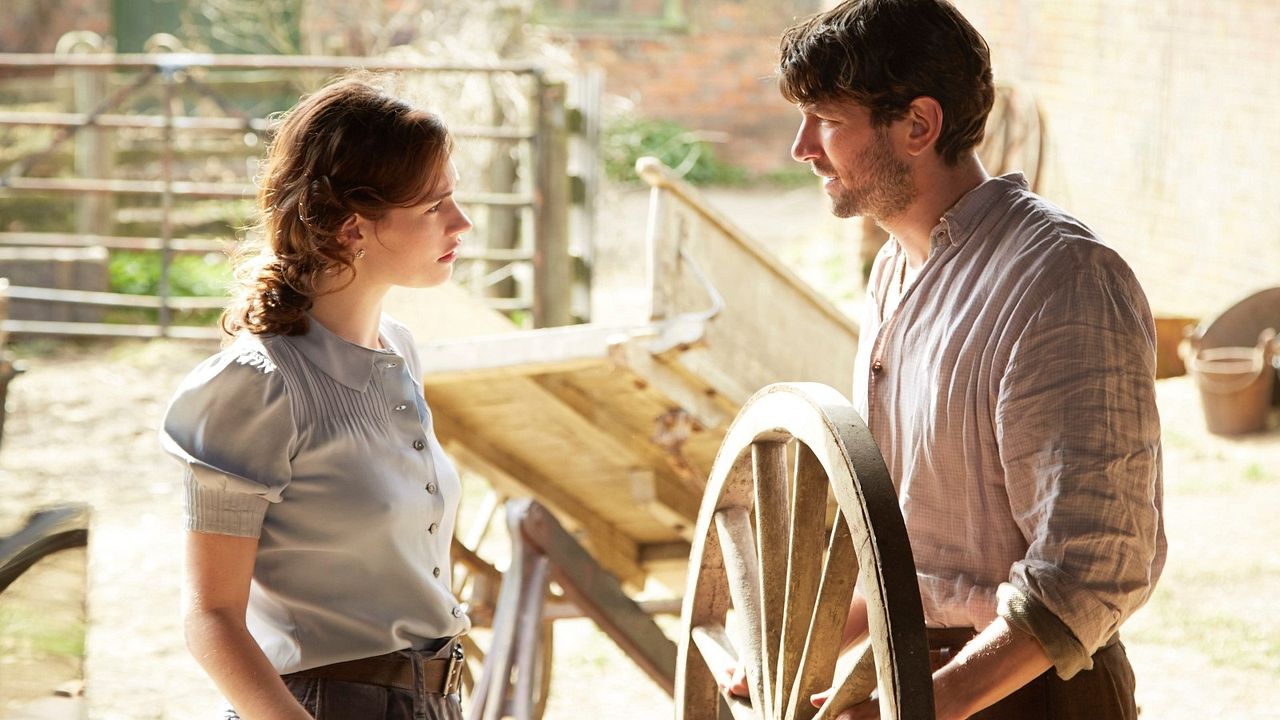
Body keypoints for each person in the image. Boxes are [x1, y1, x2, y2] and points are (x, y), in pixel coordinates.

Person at [720, 1, 1166, 718]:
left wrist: (920, 707)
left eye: (827, 120)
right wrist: (800, 649)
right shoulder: (895, 269)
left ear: (918, 126)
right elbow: (922, 555)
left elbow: (1091, 572)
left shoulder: (1061, 282)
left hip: (1029, 697)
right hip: (915, 676)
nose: (802, 148)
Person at [160, 75, 474, 720]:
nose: (460, 222)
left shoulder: (399, 352)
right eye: (433, 207)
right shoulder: (256, 386)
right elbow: (211, 616)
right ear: (353, 229)